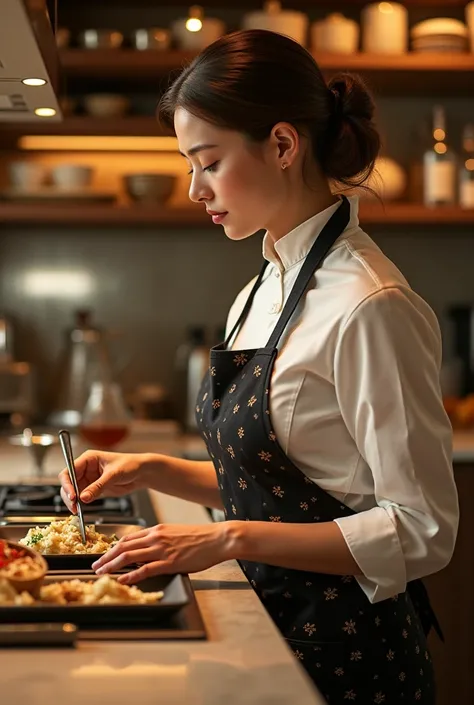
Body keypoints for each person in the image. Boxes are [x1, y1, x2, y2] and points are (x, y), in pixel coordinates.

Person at [59, 30, 459, 705]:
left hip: (347, 654)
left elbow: (421, 527)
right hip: (274, 626)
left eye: (207, 162)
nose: (193, 189)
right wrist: (154, 469)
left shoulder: (369, 303)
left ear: (280, 145)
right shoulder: (260, 288)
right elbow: (293, 485)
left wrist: (224, 538)